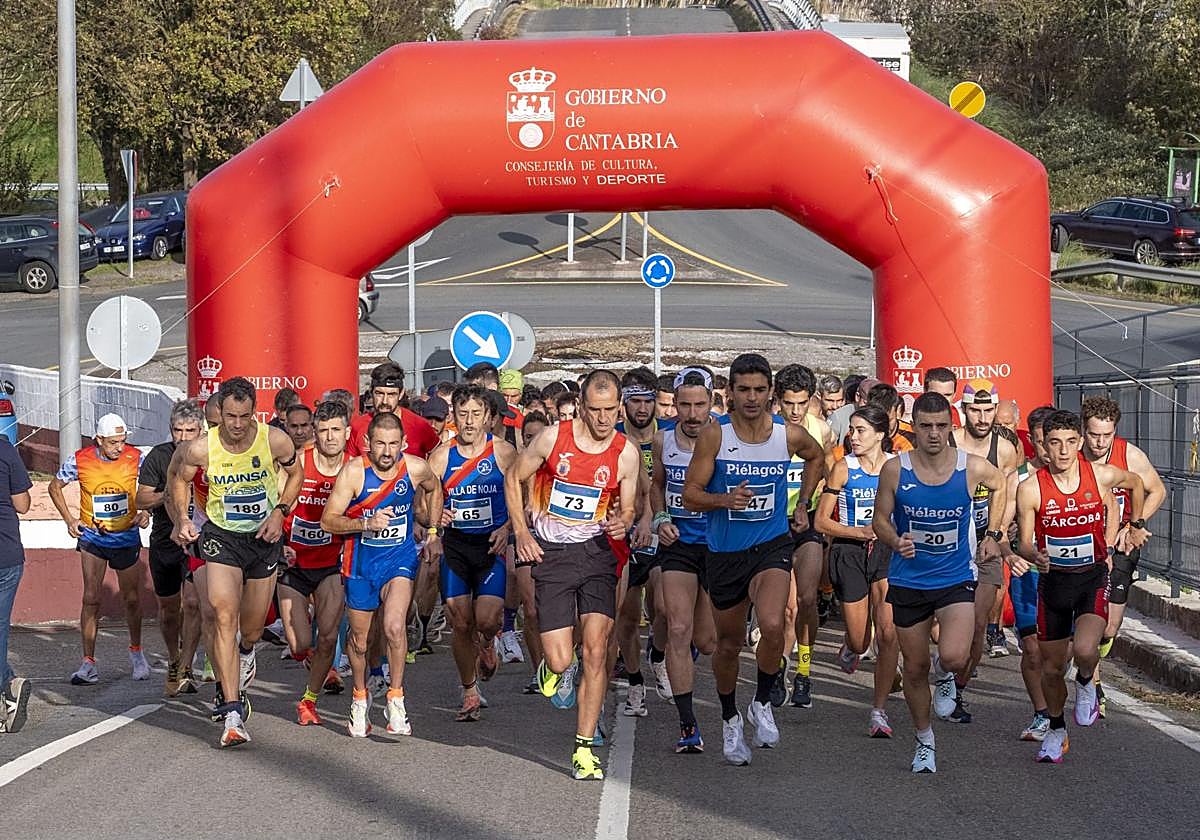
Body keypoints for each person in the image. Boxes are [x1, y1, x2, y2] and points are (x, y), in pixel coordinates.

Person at [682, 353, 824, 765]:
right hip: (726, 552)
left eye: (760, 390)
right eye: (743, 389)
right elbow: (690, 495)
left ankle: (762, 701)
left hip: (772, 544)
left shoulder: (788, 435)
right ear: (730, 393)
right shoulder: (715, 435)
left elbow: (817, 457)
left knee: (775, 622)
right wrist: (724, 499)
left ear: (771, 393)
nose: (752, 397)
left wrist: (804, 505)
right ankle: (730, 719)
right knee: (727, 645)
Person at [505, 369, 641, 781]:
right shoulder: (552, 438)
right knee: (562, 658)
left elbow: (630, 505)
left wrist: (624, 522)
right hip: (554, 554)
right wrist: (522, 532)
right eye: (595, 411)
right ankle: (552, 670)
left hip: (598, 552)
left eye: (610, 411)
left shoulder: (626, 453)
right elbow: (514, 476)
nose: (603, 420)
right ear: (581, 407)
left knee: (597, 649)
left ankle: (584, 748)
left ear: (620, 408)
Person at [871, 391, 1007, 773]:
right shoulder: (896, 469)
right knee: (914, 668)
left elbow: (1003, 485)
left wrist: (993, 533)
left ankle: (947, 677)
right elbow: (880, 518)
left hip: (955, 577)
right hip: (908, 579)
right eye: (926, 426)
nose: (934, 434)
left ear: (952, 427)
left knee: (953, 656)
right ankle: (924, 739)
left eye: (941, 427)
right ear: (913, 428)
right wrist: (895, 540)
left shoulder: (971, 467)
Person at [169, 378, 304, 747]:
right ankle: (231, 711)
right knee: (222, 614)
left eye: (245, 416)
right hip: (221, 537)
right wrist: (182, 518)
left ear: (254, 412)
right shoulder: (202, 449)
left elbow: (296, 474)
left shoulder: (274, 441)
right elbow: (180, 480)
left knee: (254, 629)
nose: (238, 424)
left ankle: (246, 653)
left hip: (262, 539)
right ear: (220, 414)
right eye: (231, 416)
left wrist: (280, 511)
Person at [1014, 409, 1148, 763]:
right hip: (1053, 584)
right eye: (1054, 443)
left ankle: (1087, 679)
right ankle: (1057, 730)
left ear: (1080, 443)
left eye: (1070, 443)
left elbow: (1136, 483)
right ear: (1044, 445)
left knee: (1087, 648)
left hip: (1091, 579)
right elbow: (1023, 542)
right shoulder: (1030, 488)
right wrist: (1035, 554)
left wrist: (1136, 524)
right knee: (1052, 669)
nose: (1061, 452)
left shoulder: (1100, 476)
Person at [322, 412, 443, 738]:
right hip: (360, 565)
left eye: (393, 444)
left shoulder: (415, 468)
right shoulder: (353, 473)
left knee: (393, 626)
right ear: (367, 444)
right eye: (380, 444)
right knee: (360, 642)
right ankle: (360, 697)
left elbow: (435, 487)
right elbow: (328, 520)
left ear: (403, 443)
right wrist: (365, 523)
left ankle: (396, 698)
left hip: (398, 560)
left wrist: (433, 530)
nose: (387, 452)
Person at [427, 385, 517, 721]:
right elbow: (423, 502)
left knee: (486, 619)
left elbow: (521, 496)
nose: (468, 421)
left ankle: (490, 641)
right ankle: (469, 691)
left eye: (475, 414)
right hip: (457, 546)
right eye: (462, 414)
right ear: (454, 417)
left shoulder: (503, 452)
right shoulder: (440, 456)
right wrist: (435, 521)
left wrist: (507, 528)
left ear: (488, 418)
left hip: (491, 544)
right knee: (460, 621)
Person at [814, 405, 899, 737]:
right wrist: (860, 531)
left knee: (889, 633)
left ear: (880, 434)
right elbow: (822, 522)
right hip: (850, 551)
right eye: (851, 429)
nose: (853, 436)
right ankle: (852, 647)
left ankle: (878, 711)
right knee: (861, 638)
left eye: (861, 430)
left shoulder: (896, 467)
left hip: (886, 550)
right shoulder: (842, 468)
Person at [49, 413, 151, 686]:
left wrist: (144, 512)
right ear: (99, 439)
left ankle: (137, 653)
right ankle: (88, 663)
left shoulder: (136, 457)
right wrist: (70, 520)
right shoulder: (80, 459)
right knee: (91, 598)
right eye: (113, 442)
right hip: (93, 538)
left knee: (131, 599)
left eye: (122, 441)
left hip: (126, 537)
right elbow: (54, 486)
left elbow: (153, 490)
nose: (119, 447)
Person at [1078, 396, 1165, 713]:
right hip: (1084, 548)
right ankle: (1092, 682)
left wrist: (1134, 524)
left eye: (1106, 435)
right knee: (1091, 619)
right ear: (1083, 430)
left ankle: (1089, 663)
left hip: (1120, 546)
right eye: (1093, 434)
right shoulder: (1072, 454)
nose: (1100, 442)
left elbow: (1157, 489)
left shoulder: (1128, 454)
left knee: (1111, 627)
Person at [651, 366, 718, 752]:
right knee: (678, 627)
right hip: (678, 546)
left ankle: (676, 657)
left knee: (707, 642)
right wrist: (660, 518)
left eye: (700, 405)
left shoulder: (726, 440)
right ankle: (688, 725)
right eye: (684, 405)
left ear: (712, 403)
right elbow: (657, 486)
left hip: (717, 548)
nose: (692, 414)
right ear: (673, 405)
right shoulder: (663, 441)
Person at [948, 379, 1021, 720]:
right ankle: (946, 663)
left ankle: (957, 689)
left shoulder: (1004, 449)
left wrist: (996, 534)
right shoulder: (948, 441)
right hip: (946, 541)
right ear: (963, 410)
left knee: (979, 624)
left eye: (987, 409)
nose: (981, 417)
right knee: (942, 622)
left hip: (983, 541)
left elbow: (1005, 495)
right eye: (974, 410)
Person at [279, 400, 351, 726]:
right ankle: (307, 656)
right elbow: (275, 504)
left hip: (331, 564)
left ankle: (309, 700)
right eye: (323, 430)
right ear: (314, 433)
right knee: (299, 644)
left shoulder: (355, 468)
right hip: (293, 563)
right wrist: (280, 544)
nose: (330, 437)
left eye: (336, 430)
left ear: (347, 432)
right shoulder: (298, 464)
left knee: (328, 637)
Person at [136, 399, 205, 696]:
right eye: (178, 430)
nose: (184, 437)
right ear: (170, 430)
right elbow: (141, 499)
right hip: (164, 540)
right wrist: (170, 495)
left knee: (192, 603)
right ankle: (174, 659)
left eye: (190, 430)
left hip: (197, 541)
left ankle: (187, 664)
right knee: (168, 609)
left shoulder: (208, 456)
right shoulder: (158, 456)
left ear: (200, 430)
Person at [774, 363, 832, 709]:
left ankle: (804, 671)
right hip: (775, 524)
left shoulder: (821, 429)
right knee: (787, 609)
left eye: (801, 403)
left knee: (807, 600)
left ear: (811, 401)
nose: (795, 411)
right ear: (777, 401)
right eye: (788, 403)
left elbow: (826, 474)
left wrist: (809, 504)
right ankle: (780, 666)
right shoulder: (767, 429)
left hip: (806, 520)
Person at [615, 367, 671, 709]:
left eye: (646, 402)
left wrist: (653, 519)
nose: (641, 409)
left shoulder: (668, 436)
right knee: (627, 613)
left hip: (661, 530)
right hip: (626, 533)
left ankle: (659, 656)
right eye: (633, 401)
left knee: (664, 609)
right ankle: (635, 681)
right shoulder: (617, 437)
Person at [1011, 404, 1055, 742]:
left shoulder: (1079, 475)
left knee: (1059, 655)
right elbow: (998, 529)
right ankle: (1041, 714)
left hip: (1067, 574)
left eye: (1052, 441)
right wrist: (1012, 555)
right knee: (1032, 648)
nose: (1047, 450)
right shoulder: (1019, 478)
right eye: (1040, 442)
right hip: (1027, 572)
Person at [0, 435, 32, 733]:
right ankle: (9, 686)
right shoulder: (5, 449)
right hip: (7, 554)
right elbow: (23, 504)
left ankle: (8, 689)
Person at [347, 362, 440, 459]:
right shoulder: (357, 427)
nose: (384, 401)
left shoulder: (419, 426)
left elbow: (440, 458)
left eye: (391, 394)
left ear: (401, 394)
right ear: (371, 391)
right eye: (379, 393)